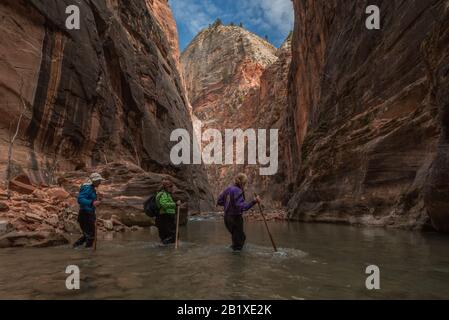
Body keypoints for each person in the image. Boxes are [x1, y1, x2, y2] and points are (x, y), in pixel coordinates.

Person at [217, 173, 260, 252]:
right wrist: (254, 201)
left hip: (227, 219)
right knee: (239, 242)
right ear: (243, 183)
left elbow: (219, 201)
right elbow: (243, 207)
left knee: (240, 238)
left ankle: (234, 255)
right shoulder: (238, 191)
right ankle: (237, 261)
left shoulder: (227, 189)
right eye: (245, 183)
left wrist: (228, 203)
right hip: (235, 219)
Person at [73, 173, 105, 248]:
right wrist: (92, 202)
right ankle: (88, 255)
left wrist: (98, 200)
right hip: (85, 214)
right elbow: (80, 199)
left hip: (89, 213)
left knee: (88, 235)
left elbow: (92, 201)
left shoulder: (91, 188)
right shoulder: (87, 187)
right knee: (91, 236)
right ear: (94, 181)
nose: (100, 182)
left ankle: (75, 247)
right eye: (99, 181)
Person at [155, 179, 181, 245]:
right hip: (165, 216)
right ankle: (164, 246)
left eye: (172, 186)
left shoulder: (167, 194)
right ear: (165, 187)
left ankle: (165, 250)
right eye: (170, 186)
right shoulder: (163, 194)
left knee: (168, 236)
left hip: (167, 216)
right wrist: (175, 204)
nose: (172, 188)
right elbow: (164, 205)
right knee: (173, 236)